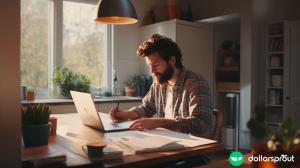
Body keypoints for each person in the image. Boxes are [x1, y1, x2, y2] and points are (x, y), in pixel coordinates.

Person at [109, 34, 213, 139]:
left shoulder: (196, 83)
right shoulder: (159, 82)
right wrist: (124, 114)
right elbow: (147, 108)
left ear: (172, 60)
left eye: (156, 65)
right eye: (150, 66)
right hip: (170, 143)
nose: (152, 71)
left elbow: (201, 124)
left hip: (194, 149)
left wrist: (159, 122)